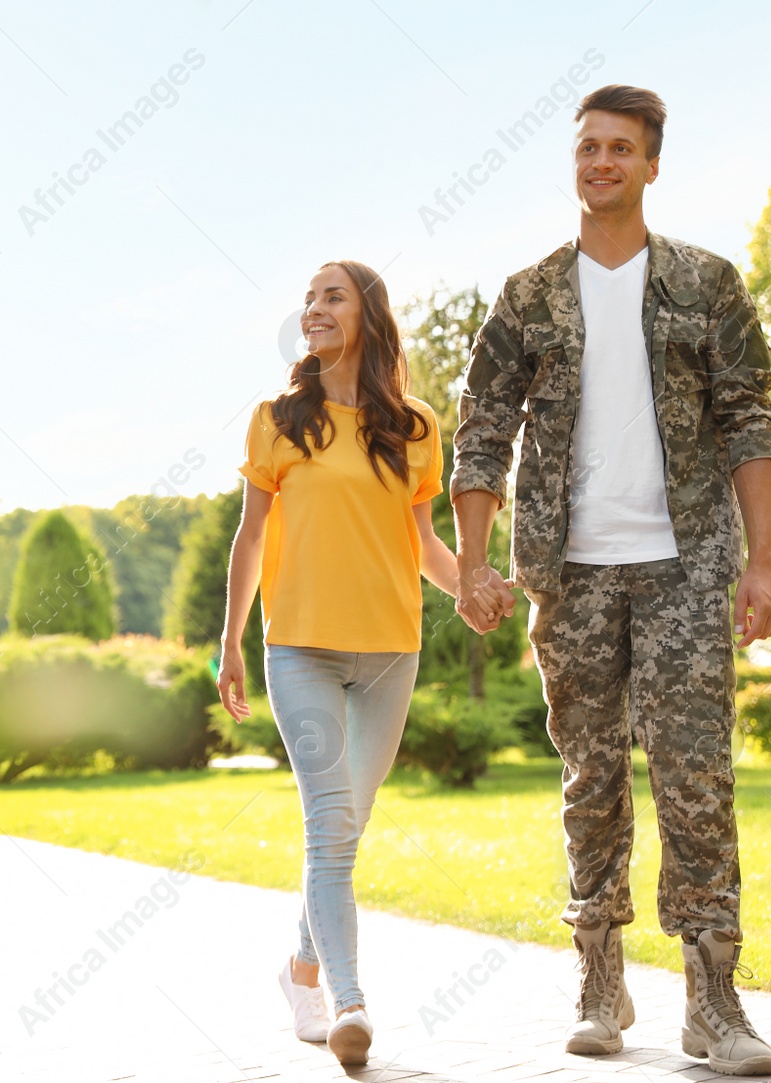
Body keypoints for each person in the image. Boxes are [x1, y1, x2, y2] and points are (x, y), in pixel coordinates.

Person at [451, 85, 771, 1077]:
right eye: (588, 147)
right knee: (588, 778)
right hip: (571, 575)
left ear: (650, 164)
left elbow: (751, 419)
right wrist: (472, 560)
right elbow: (480, 429)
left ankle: (712, 1001)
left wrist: (762, 562)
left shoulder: (705, 283)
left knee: (696, 780)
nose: (600, 163)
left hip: (686, 565)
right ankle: (599, 976)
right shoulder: (526, 296)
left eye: (620, 149)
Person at [218, 259, 477, 1067]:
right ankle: (349, 1000)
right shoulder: (277, 419)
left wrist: (473, 587)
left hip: (391, 651)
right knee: (329, 828)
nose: (314, 308)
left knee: (347, 826)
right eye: (308, 299)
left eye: (331, 295)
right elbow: (252, 535)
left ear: (368, 312)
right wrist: (230, 638)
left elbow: (425, 542)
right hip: (299, 647)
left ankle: (300, 968)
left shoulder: (415, 425)